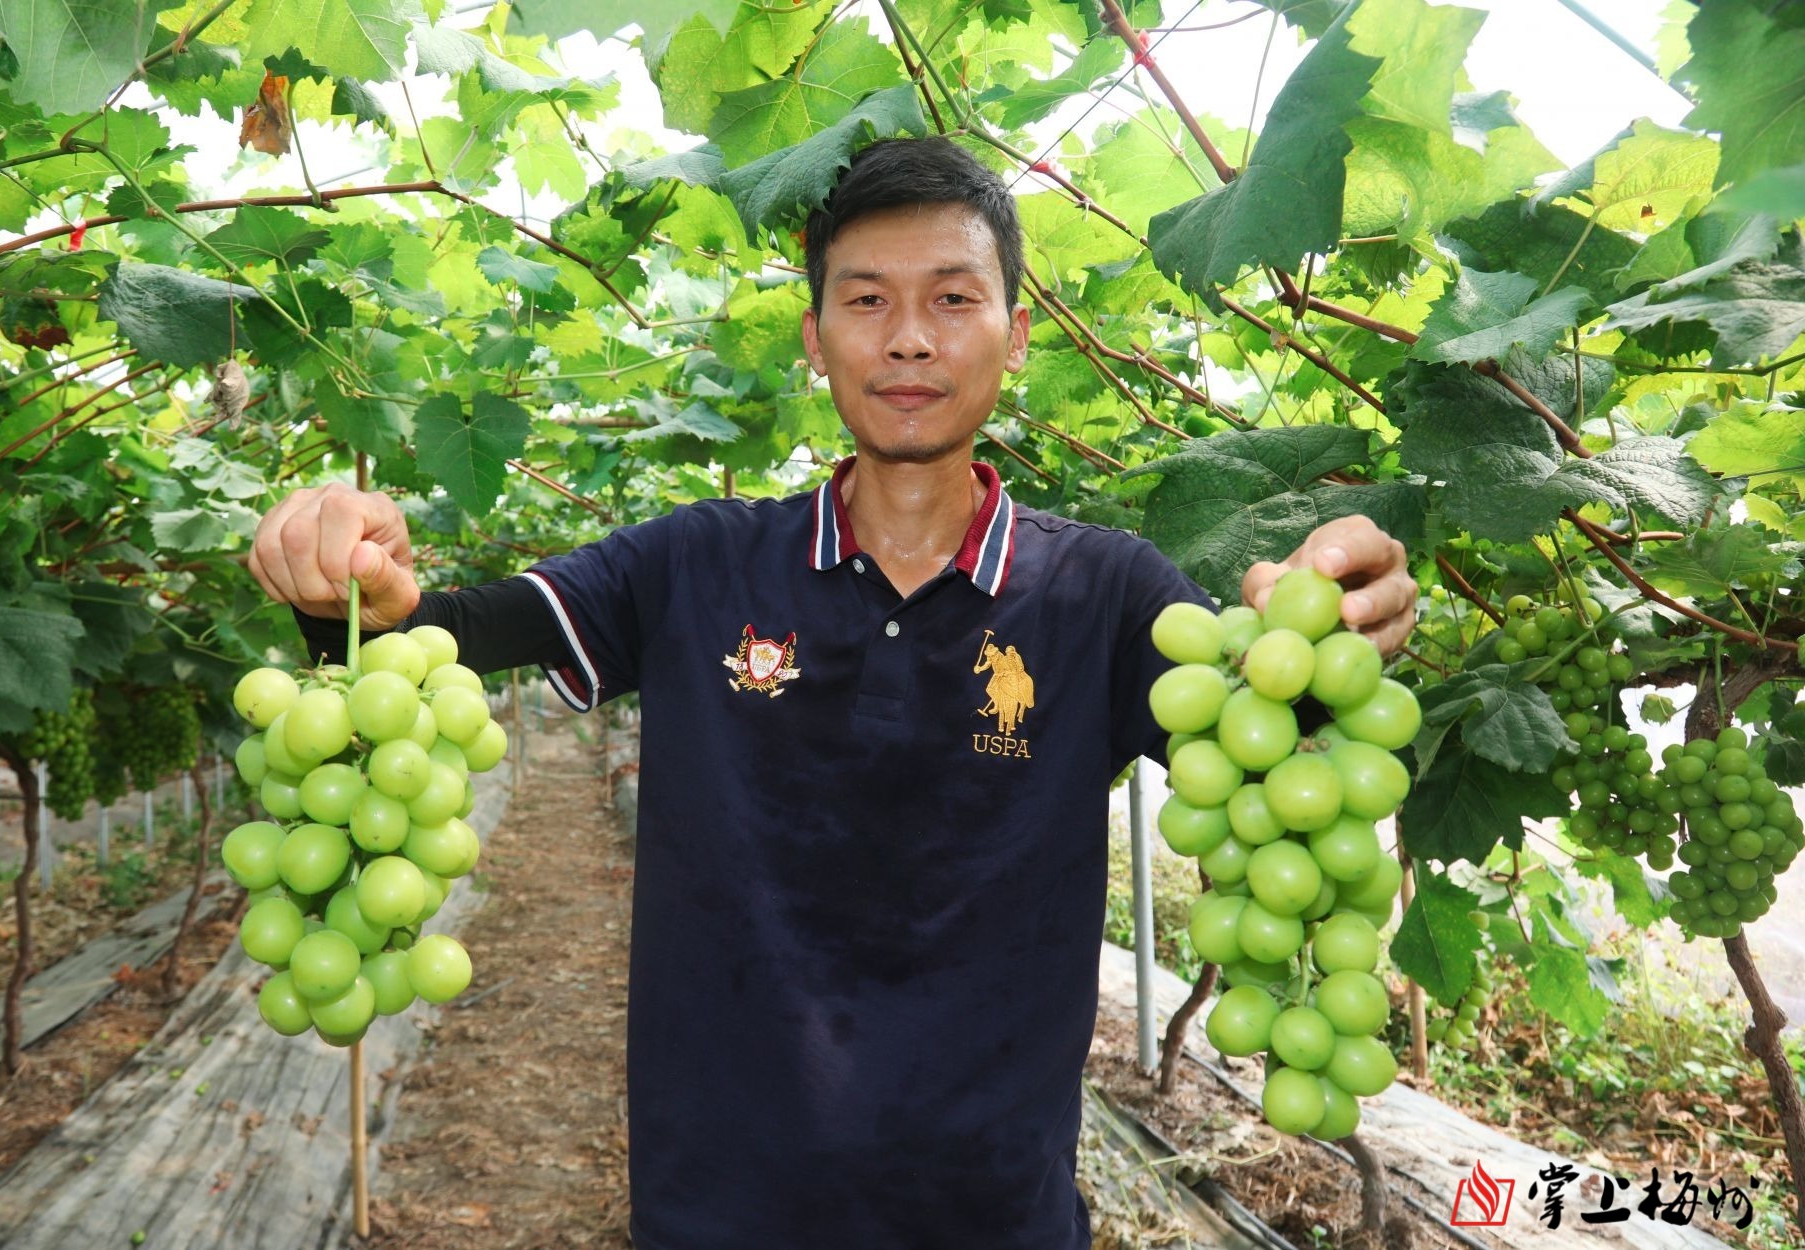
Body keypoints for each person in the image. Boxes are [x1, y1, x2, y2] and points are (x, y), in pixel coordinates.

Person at [249, 136, 1415, 1250]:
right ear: (814, 338)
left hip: (995, 1220)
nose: (908, 338)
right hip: (717, 1217)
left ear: (1016, 336)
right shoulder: (694, 564)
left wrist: (1338, 628)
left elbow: (1276, 744)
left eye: (953, 298)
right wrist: (342, 582)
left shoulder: (1104, 594)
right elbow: (443, 637)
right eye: (866, 300)